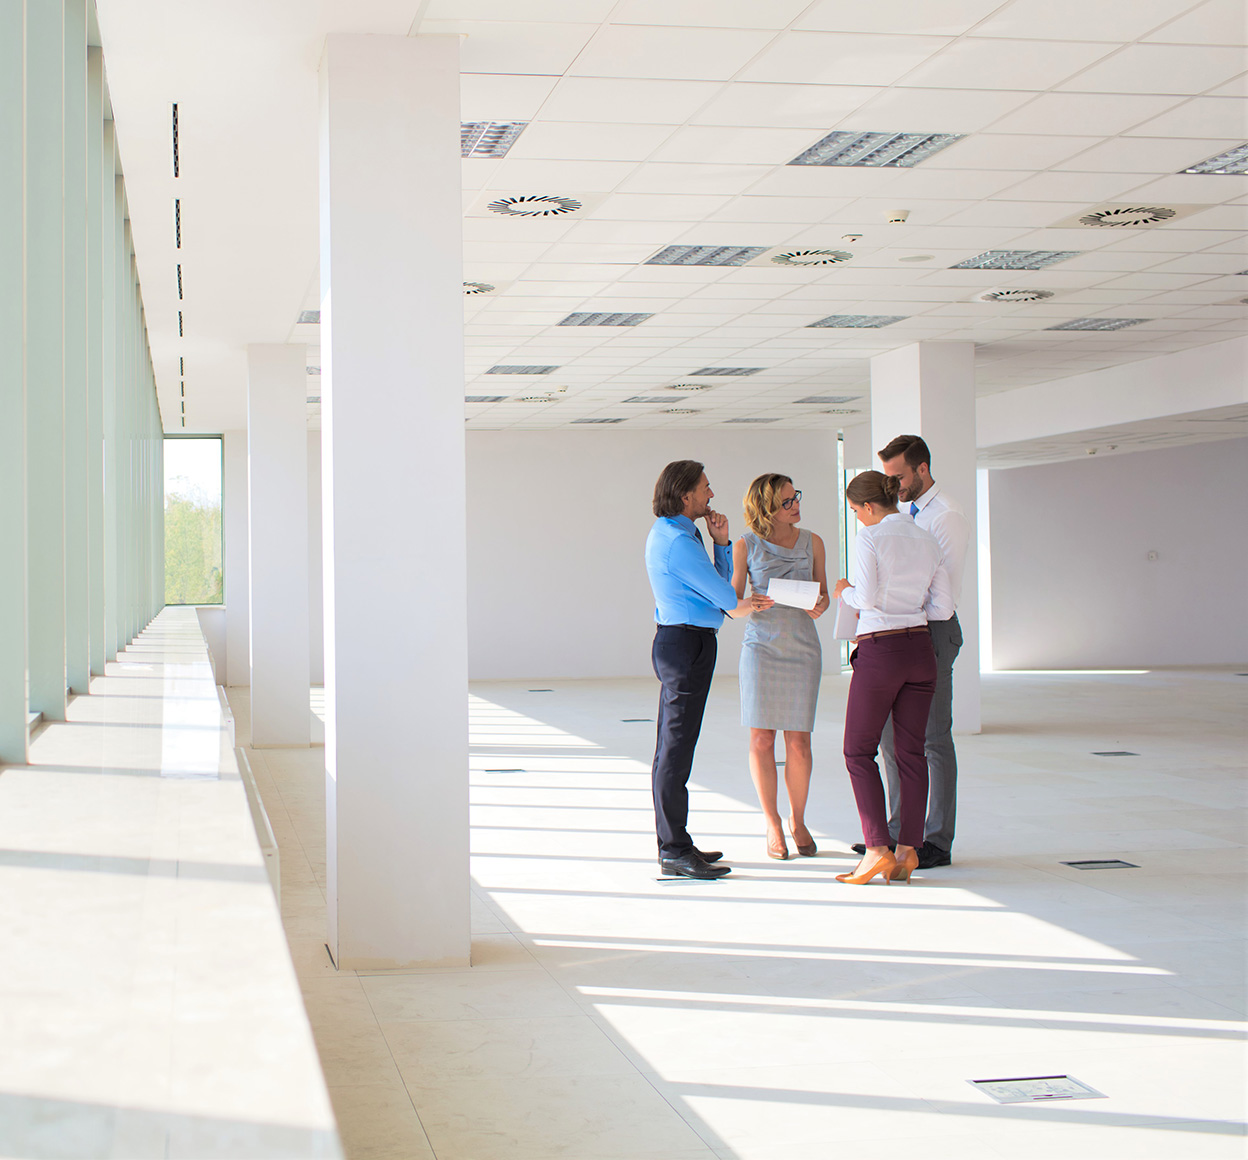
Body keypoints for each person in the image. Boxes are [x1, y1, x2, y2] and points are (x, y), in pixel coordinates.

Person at [645, 460, 767, 879]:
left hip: (686, 641)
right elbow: (726, 598)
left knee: (675, 746)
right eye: (705, 488)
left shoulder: (681, 533)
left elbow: (714, 588)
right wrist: (751, 602)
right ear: (685, 495)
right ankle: (674, 849)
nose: (711, 494)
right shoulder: (677, 542)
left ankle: (674, 842)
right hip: (685, 644)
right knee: (676, 749)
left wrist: (720, 544)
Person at [833, 471, 953, 886]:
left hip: (881, 650)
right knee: (912, 753)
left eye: (855, 511)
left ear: (868, 507)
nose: (857, 519)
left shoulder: (870, 537)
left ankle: (876, 850)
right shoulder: (928, 538)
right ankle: (907, 852)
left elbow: (863, 598)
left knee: (857, 751)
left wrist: (843, 590)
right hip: (921, 650)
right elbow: (942, 609)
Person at [867, 434, 971, 871]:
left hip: (932, 631)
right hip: (902, 632)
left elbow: (940, 593)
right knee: (892, 737)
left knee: (931, 739)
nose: (892, 486)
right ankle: (896, 835)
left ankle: (936, 840)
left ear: (922, 469)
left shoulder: (945, 517)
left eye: (898, 477)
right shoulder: (906, 514)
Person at [732, 474, 829, 860]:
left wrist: (820, 604)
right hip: (761, 649)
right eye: (787, 501)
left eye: (796, 497)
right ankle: (772, 822)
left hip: (803, 648)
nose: (796, 505)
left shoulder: (813, 541)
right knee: (761, 739)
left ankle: (799, 820)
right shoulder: (746, 545)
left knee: (800, 742)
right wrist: (749, 604)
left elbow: (821, 600)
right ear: (767, 506)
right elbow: (733, 603)